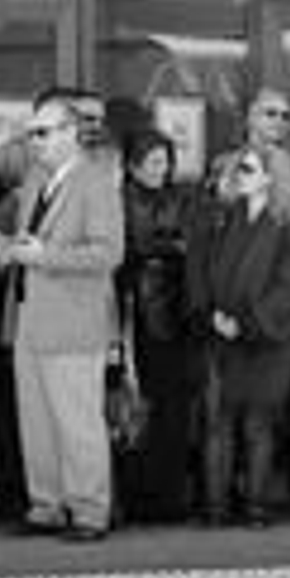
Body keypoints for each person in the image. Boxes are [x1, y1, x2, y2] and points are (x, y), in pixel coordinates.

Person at [0, 93, 124, 543]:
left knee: (76, 421)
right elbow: (27, 239)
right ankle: (46, 505)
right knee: (36, 419)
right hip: (30, 314)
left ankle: (89, 510)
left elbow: (109, 253)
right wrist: (11, 249)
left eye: (43, 133)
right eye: (31, 133)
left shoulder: (96, 181)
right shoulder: (37, 179)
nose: (34, 141)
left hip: (72, 318)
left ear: (72, 133)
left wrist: (44, 255)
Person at [190, 143, 290, 528]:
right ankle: (216, 507)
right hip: (224, 334)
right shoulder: (228, 217)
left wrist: (247, 322)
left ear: (272, 178)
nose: (240, 175)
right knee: (218, 422)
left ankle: (257, 506)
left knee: (258, 424)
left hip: (268, 340)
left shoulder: (289, 225)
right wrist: (215, 316)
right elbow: (209, 269)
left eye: (249, 169)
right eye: (239, 168)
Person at [115, 127, 197, 523]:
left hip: (174, 312)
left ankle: (169, 495)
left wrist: (162, 249)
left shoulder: (179, 197)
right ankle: (137, 495)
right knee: (136, 406)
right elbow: (127, 250)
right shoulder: (119, 199)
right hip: (135, 312)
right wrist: (165, 248)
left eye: (165, 162)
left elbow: (188, 245)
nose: (160, 170)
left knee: (171, 408)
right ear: (133, 165)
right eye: (152, 162)